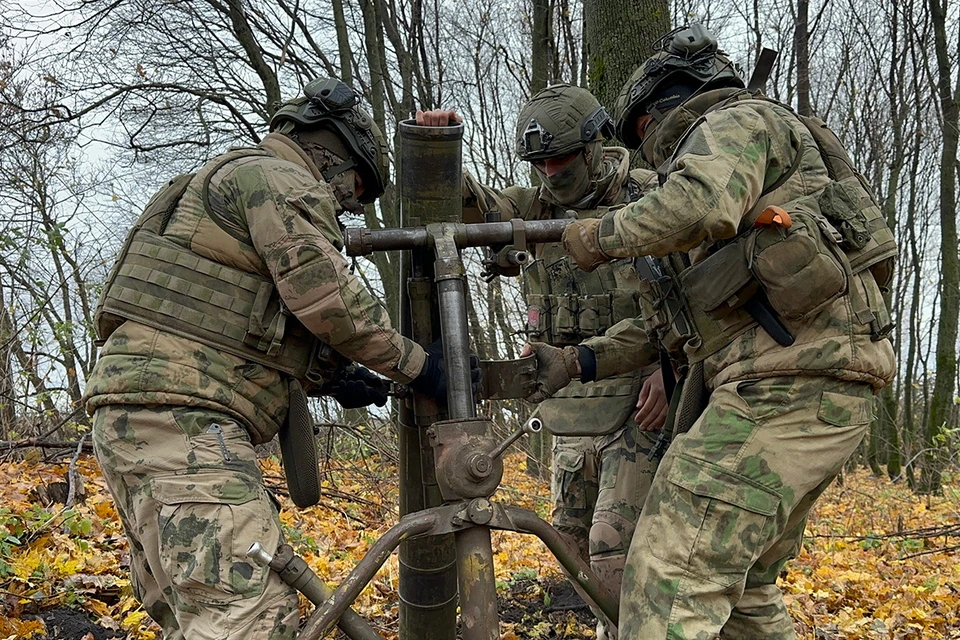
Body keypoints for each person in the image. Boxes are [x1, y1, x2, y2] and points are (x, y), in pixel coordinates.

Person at [525, 25, 897, 639]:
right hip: (808, 387)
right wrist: (576, 362)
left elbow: (700, 203)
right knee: (741, 592)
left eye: (643, 132)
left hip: (785, 385)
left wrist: (596, 236)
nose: (648, 151)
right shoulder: (738, 191)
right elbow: (662, 328)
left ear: (662, 111)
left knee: (667, 573)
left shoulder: (735, 121)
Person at [84, 78, 466, 639]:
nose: (351, 203)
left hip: (136, 420)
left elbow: (230, 320)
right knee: (249, 621)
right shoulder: (277, 177)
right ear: (328, 151)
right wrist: (421, 365)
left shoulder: (213, 184)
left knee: (198, 617)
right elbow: (328, 297)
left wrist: (335, 378)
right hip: (183, 427)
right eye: (356, 184)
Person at [418, 83, 667, 640]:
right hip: (570, 407)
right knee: (569, 540)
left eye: (561, 158)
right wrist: (443, 154)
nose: (551, 172)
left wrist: (668, 372)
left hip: (642, 402)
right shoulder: (534, 208)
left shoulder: (651, 197)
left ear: (595, 144)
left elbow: (692, 296)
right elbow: (476, 212)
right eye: (540, 162)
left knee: (614, 545)